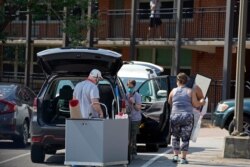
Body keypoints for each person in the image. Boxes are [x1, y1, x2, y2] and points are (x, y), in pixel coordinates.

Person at [168, 73, 205, 164]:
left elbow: (169, 102)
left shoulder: (173, 91)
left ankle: (175, 156)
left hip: (175, 115)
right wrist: (202, 102)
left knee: (175, 136)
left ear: (177, 81)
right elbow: (195, 104)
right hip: (187, 116)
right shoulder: (190, 91)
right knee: (185, 138)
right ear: (186, 81)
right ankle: (183, 158)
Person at [126, 80, 142, 159]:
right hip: (128, 118)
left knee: (133, 136)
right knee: (128, 136)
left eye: (131, 87)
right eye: (128, 87)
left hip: (135, 119)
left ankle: (133, 152)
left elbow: (138, 108)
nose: (129, 89)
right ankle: (130, 151)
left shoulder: (137, 96)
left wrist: (133, 102)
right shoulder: (126, 95)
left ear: (134, 87)